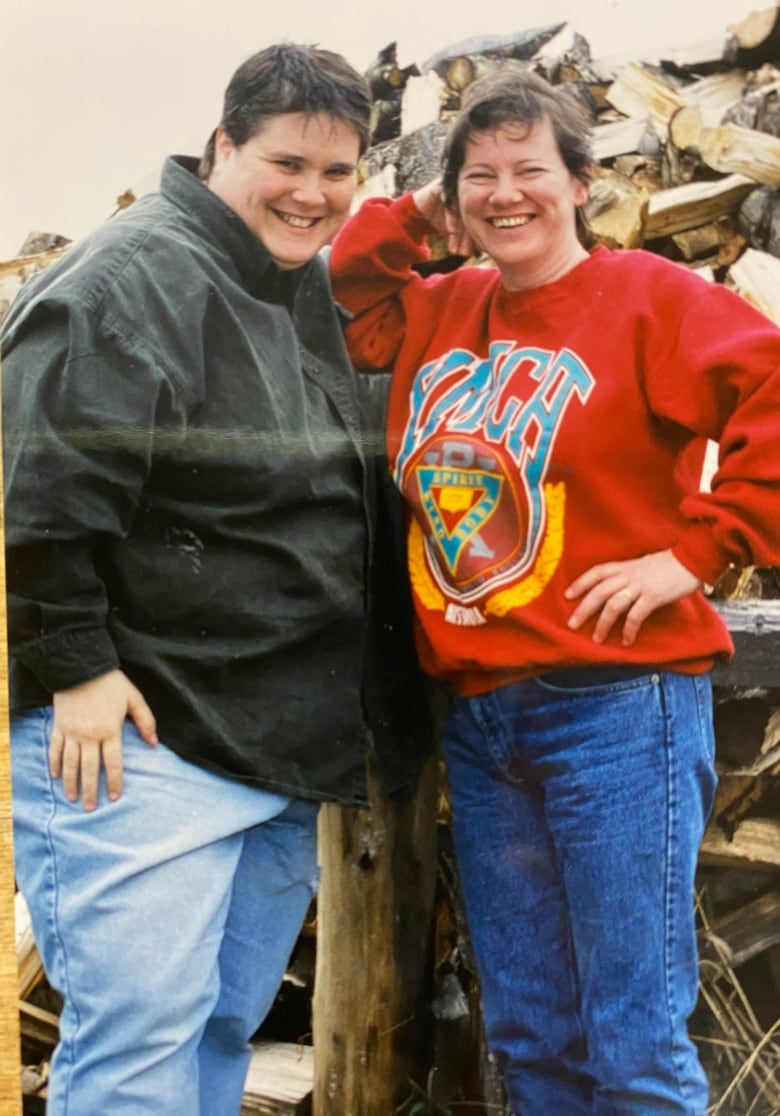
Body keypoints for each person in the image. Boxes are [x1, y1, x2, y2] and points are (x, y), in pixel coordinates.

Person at [329, 68, 780, 1114]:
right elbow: (347, 286)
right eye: (478, 176)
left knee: (631, 1041)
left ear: (582, 182)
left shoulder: (650, 298)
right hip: (484, 721)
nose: (505, 193)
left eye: (531, 169)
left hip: (616, 710)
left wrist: (699, 552)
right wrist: (423, 211)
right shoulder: (440, 310)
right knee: (531, 1040)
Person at [3, 42, 429, 1116]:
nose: (313, 194)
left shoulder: (290, 284)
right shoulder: (123, 284)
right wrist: (73, 665)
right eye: (288, 162)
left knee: (213, 1041)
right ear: (222, 145)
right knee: (139, 1056)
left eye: (339, 174)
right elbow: (37, 489)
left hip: (274, 747)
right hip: (145, 745)